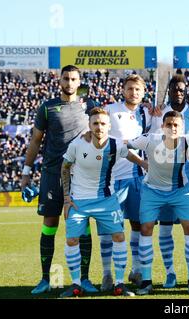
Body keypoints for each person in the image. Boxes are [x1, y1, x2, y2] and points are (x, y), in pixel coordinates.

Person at [21, 65, 98, 295]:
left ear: (79, 81)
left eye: (74, 79)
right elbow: (35, 141)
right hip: (52, 173)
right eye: (66, 78)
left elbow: (103, 129)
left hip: (80, 175)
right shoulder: (47, 108)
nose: (70, 82)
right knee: (50, 224)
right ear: (59, 80)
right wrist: (26, 172)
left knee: (81, 224)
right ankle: (46, 279)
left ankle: (84, 279)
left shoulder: (89, 107)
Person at [60, 107, 142, 297]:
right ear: (89, 125)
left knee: (119, 237)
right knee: (72, 240)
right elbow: (65, 167)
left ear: (109, 126)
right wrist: (66, 198)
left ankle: (119, 284)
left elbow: (128, 154)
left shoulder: (115, 145)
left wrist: (144, 164)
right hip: (78, 201)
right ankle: (75, 285)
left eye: (103, 123)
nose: (99, 127)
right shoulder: (77, 144)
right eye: (95, 123)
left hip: (106, 200)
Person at [129, 111, 189, 296]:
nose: (172, 128)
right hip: (152, 191)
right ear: (162, 126)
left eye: (176, 124)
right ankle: (146, 281)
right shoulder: (149, 139)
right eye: (169, 124)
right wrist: (141, 162)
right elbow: (123, 146)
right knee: (146, 229)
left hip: (180, 191)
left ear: (182, 127)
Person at [149, 74, 189, 289]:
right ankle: (170, 273)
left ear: (187, 91)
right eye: (174, 89)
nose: (178, 92)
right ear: (169, 91)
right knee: (165, 227)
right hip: (166, 176)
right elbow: (151, 142)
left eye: (181, 89)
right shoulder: (159, 115)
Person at [99, 74, 151, 291]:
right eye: (130, 88)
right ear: (122, 90)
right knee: (110, 228)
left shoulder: (147, 112)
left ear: (143, 91)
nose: (134, 93)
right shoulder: (111, 110)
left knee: (138, 225)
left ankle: (136, 270)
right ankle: (107, 274)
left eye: (137, 89)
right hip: (111, 179)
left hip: (138, 178)